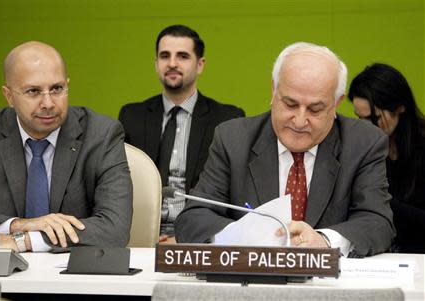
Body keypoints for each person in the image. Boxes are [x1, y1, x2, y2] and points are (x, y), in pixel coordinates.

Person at [175, 42, 395, 257]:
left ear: (337, 103)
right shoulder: (233, 139)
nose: (299, 121)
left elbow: (377, 222)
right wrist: (246, 237)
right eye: (290, 104)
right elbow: (194, 218)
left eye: (315, 109)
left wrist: (324, 241)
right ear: (273, 90)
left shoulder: (363, 143)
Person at [0, 41, 132, 252]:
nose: (48, 103)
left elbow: (115, 228)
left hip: (71, 277)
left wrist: (24, 240)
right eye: (33, 91)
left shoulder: (102, 135)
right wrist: (17, 225)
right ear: (9, 96)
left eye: (57, 89)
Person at [118, 25, 244, 243]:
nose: (172, 63)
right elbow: (119, 187)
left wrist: (185, 238)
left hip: (197, 239)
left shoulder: (227, 120)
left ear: (200, 64)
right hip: (140, 236)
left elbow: (230, 195)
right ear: (156, 63)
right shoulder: (132, 116)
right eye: (165, 56)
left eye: (183, 56)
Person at [349, 63, 425, 253]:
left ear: (400, 108)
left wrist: (380, 202)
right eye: (359, 118)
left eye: (372, 118)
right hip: (378, 257)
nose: (365, 126)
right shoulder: (360, 146)